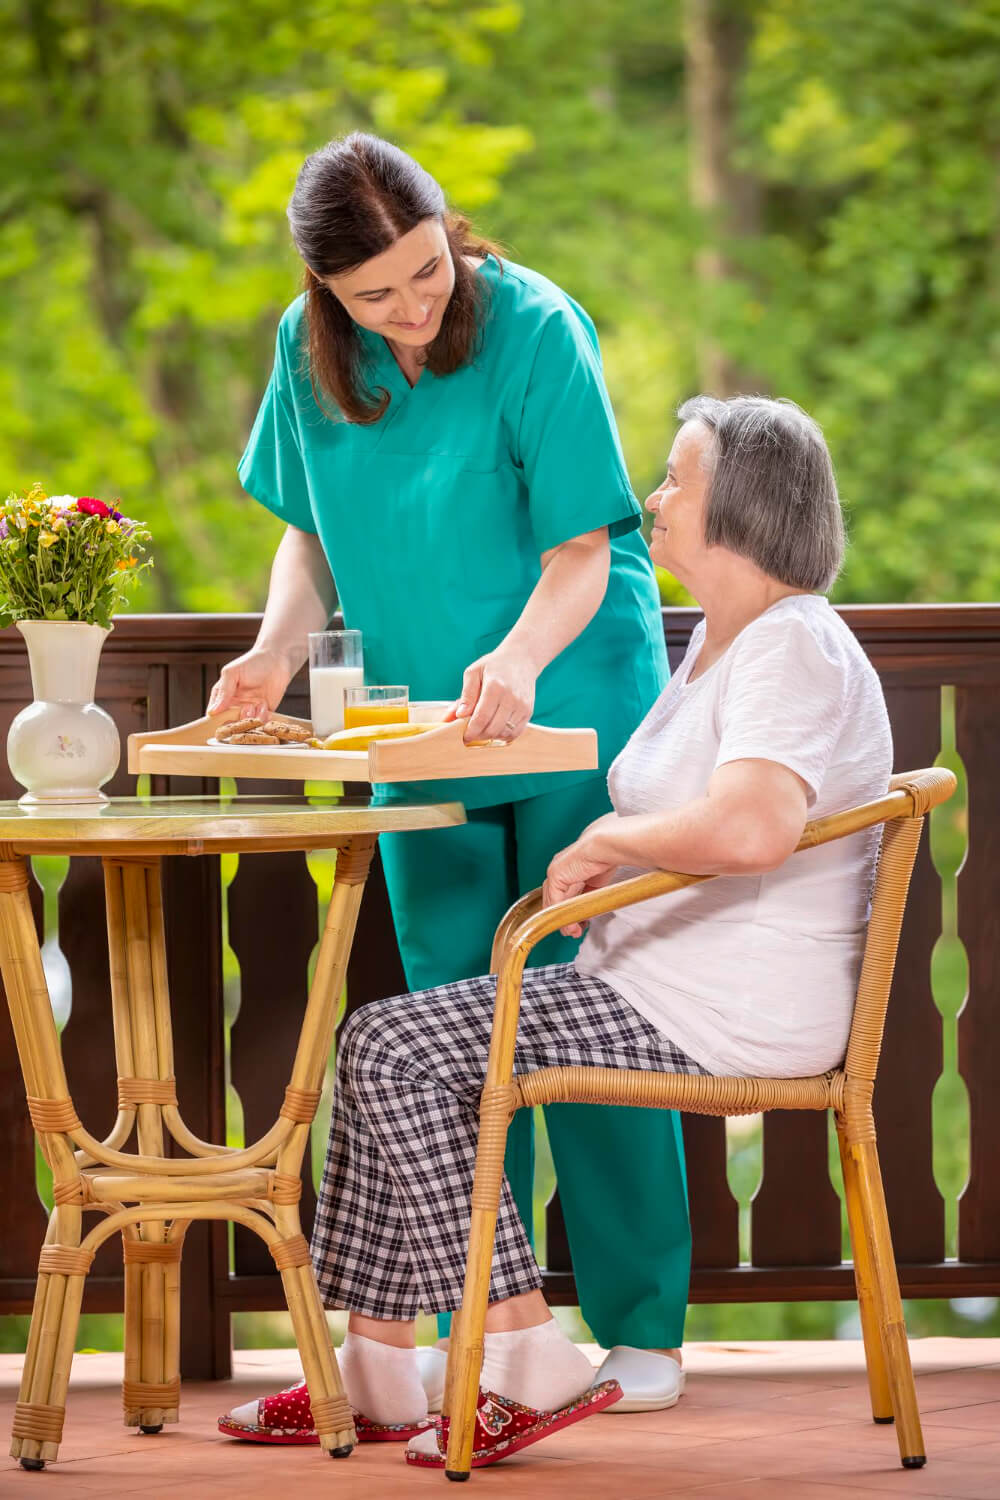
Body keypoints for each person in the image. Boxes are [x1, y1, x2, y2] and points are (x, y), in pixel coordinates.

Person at [220, 395, 893, 1469]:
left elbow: (757, 826)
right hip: (657, 990)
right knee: (388, 1039)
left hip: (721, 1014)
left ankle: (525, 1350)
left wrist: (616, 841)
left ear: (745, 509)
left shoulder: (790, 649)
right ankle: (379, 1368)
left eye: (675, 481)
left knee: (393, 1047)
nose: (649, 500)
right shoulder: (729, 644)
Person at [208, 132, 690, 1424]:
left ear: (448, 234)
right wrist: (270, 651)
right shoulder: (309, 364)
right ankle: (487, 1325)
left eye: (427, 272)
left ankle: (641, 1327)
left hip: (570, 695)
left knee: (586, 1009)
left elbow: (585, 548)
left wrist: (524, 660)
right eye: (380, 296)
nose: (414, 309)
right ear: (328, 296)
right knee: (451, 1026)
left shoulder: (534, 327)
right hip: (417, 731)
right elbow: (309, 539)